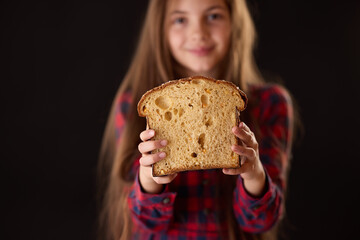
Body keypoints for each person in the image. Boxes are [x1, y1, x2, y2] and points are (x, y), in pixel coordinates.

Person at [97, 0, 296, 239]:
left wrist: (254, 174)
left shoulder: (271, 103)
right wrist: (149, 180)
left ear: (235, 23)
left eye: (213, 16)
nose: (198, 33)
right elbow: (147, 225)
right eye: (180, 20)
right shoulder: (135, 108)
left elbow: (261, 222)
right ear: (160, 29)